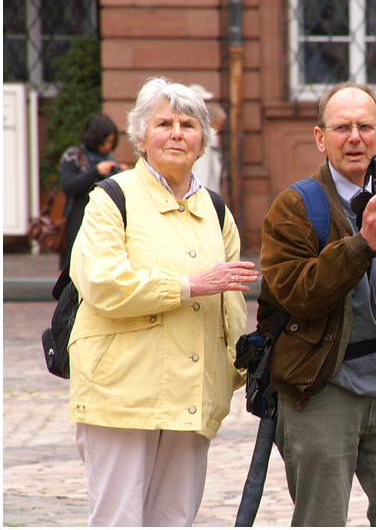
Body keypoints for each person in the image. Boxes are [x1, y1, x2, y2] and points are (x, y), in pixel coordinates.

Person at [257, 81, 376, 526]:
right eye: (342, 127)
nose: (355, 138)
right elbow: (298, 293)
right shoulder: (295, 206)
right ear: (320, 138)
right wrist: (363, 243)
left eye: (365, 126)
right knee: (321, 519)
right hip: (323, 388)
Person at [68, 77, 259, 526]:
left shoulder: (216, 210)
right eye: (164, 123)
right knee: (118, 520)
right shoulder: (111, 199)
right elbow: (104, 284)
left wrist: (234, 372)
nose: (177, 133)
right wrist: (190, 285)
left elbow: (231, 305)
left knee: (175, 521)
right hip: (122, 395)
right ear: (140, 137)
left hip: (192, 396)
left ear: (203, 142)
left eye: (189, 125)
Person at [58, 114, 130, 269]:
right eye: (107, 142)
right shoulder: (74, 156)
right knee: (74, 268)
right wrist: (95, 171)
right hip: (76, 222)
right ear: (96, 138)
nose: (109, 146)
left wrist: (123, 175)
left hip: (103, 221)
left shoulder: (109, 158)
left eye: (112, 142)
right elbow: (68, 186)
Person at [189, 83, 226, 194]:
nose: (206, 106)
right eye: (203, 102)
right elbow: (202, 174)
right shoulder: (198, 138)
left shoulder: (205, 136)